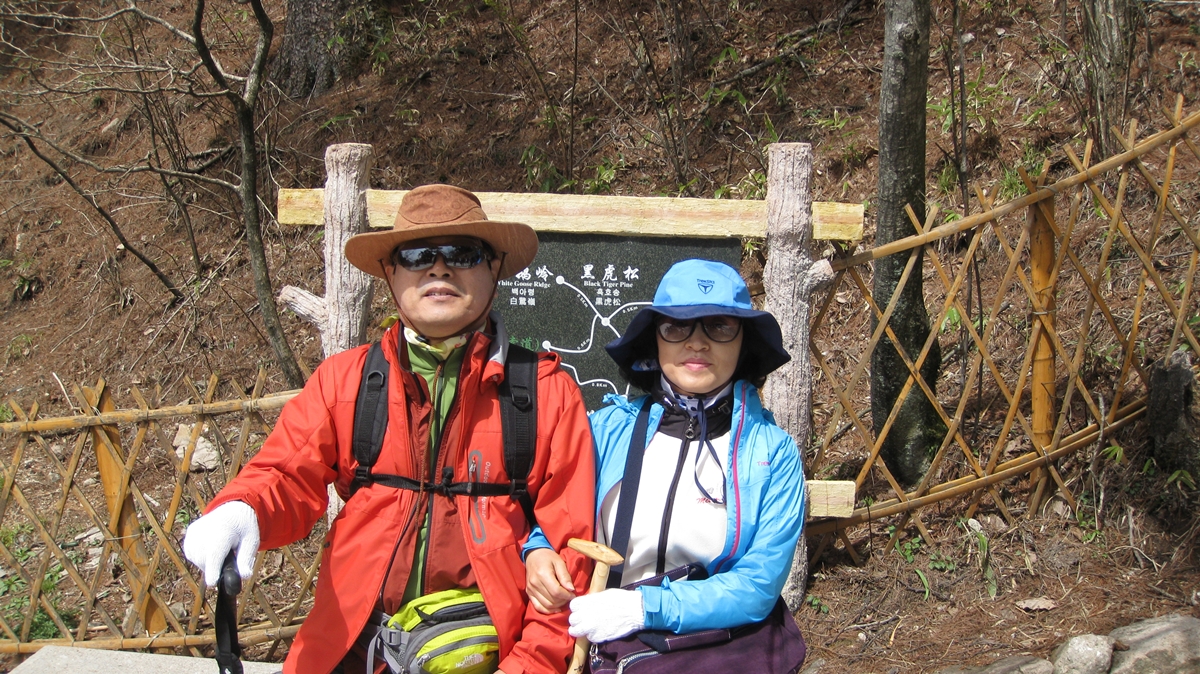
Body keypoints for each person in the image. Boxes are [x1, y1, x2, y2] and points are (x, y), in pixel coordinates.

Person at [183, 184, 596, 674]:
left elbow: (571, 557)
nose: (439, 268)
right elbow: (286, 471)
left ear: (494, 268)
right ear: (390, 272)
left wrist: (526, 667)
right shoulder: (347, 381)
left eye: (463, 253)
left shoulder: (546, 395)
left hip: (488, 655)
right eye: (416, 254)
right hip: (350, 649)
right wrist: (242, 509)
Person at [523, 258, 805, 644]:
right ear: (655, 339)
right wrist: (537, 551)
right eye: (676, 326)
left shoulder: (772, 455)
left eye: (720, 326)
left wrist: (645, 608)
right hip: (600, 645)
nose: (697, 342)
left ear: (745, 342)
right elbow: (554, 513)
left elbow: (758, 584)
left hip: (714, 650)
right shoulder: (606, 430)